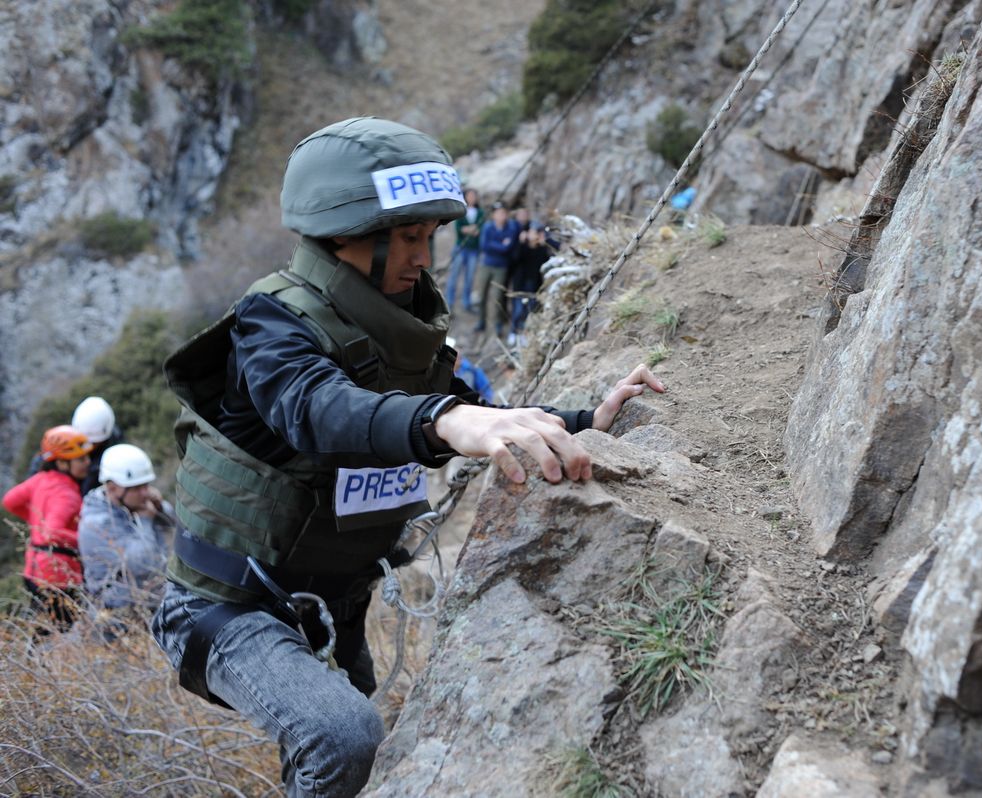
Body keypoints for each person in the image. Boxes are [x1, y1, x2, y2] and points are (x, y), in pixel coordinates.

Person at [150, 117, 664, 798]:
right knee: (343, 735)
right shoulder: (271, 324)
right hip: (228, 606)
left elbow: (474, 410)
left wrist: (584, 420)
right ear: (345, 237)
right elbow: (319, 409)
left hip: (333, 601)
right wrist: (447, 419)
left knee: (357, 752)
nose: (425, 256)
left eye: (430, 236)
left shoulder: (400, 326)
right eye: (410, 237)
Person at [3, 425, 93, 631]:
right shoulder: (67, 495)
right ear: (62, 463)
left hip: (33, 571)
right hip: (58, 578)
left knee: (43, 630)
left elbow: (10, 501)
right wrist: (87, 539)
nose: (87, 463)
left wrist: (35, 521)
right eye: (81, 459)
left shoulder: (39, 479)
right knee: (61, 633)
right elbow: (52, 532)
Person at [78, 444, 175, 633]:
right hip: (117, 617)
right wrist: (146, 520)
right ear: (113, 488)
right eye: (137, 488)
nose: (145, 492)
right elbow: (141, 565)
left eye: (146, 485)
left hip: (148, 604)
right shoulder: (97, 523)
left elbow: (174, 524)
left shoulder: (133, 504)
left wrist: (160, 508)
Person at [24, 395, 125, 494]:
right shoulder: (64, 443)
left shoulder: (114, 458)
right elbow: (42, 462)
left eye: (93, 443)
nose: (88, 447)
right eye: (82, 442)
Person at [474, 200, 520, 336]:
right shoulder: (488, 227)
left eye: (504, 213)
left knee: (497, 297)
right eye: (499, 213)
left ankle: (497, 324)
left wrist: (496, 245)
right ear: (494, 215)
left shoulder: (510, 228)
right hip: (486, 264)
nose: (502, 216)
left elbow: (508, 248)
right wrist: (500, 244)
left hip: (501, 267)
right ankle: (481, 321)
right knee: (481, 295)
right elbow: (484, 246)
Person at [508, 220, 557, 346]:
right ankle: (513, 332)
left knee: (529, 311)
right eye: (532, 232)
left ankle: (524, 334)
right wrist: (521, 242)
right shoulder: (522, 246)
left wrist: (546, 242)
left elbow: (554, 253)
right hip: (520, 284)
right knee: (517, 310)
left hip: (534, 285)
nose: (533, 235)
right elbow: (513, 259)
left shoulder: (542, 249)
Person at [444, 187, 482, 312]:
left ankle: (467, 303)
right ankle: (448, 303)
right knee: (454, 276)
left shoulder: (480, 212)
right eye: (470, 195)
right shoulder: (461, 211)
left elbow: (480, 230)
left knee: (469, 277)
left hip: (473, 250)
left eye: (474, 195)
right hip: (461, 248)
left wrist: (469, 229)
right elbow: (460, 229)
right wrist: (471, 229)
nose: (472, 198)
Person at [446, 336, 495, 403]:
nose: (457, 352)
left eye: (456, 348)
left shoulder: (471, 370)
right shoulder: (443, 376)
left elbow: (487, 392)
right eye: (453, 350)